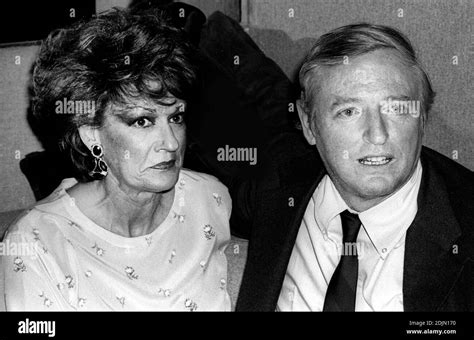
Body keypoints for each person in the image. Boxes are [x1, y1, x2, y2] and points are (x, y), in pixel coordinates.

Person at [227, 23, 473, 311]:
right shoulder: (277, 184)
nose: (377, 134)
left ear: (422, 119)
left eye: (396, 108)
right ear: (309, 126)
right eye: (348, 112)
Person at [2, 8, 232, 311]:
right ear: (91, 134)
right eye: (142, 121)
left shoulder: (211, 200)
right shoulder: (36, 244)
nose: (172, 142)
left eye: (175, 117)